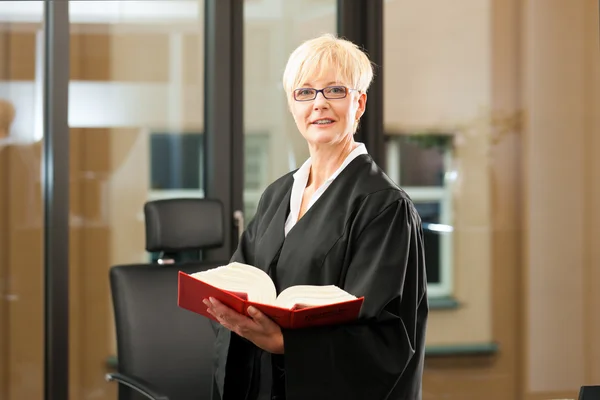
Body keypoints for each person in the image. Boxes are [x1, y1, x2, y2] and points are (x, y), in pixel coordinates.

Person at [203, 33, 428, 400]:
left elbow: (387, 337)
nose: (319, 104)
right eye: (305, 92)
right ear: (292, 107)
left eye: (335, 90)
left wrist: (287, 344)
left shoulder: (384, 207)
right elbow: (241, 281)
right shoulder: (277, 196)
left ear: (360, 103)